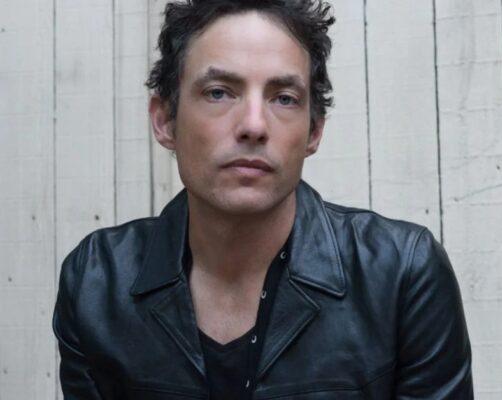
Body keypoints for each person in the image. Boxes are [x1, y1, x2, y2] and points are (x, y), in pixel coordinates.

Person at [53, 0, 473, 398]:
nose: (254, 125)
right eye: (219, 92)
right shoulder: (96, 282)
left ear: (313, 131)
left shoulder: (402, 275)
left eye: (284, 98)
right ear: (165, 120)